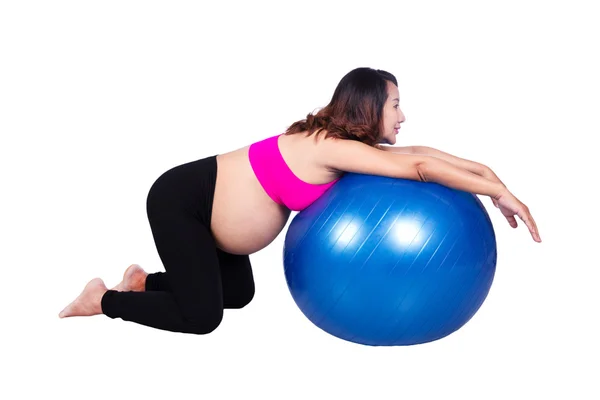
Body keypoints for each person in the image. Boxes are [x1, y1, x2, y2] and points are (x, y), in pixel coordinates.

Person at [58, 67, 541, 334]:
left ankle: (144, 283)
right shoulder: (331, 148)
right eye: (396, 105)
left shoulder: (345, 144)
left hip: (209, 216)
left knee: (237, 296)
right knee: (202, 317)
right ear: (370, 107)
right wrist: (496, 192)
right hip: (184, 201)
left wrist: (498, 184)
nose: (403, 116)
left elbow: (425, 154)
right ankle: (104, 299)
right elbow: (417, 167)